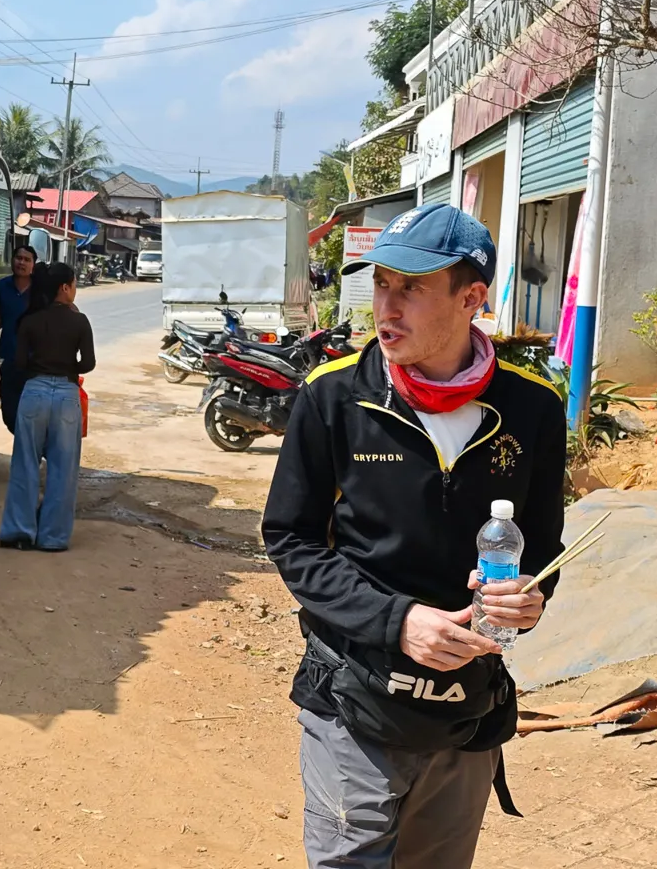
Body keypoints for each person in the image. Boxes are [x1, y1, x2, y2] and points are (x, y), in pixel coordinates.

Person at [260, 204, 567, 869]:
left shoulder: (533, 410)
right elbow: (291, 539)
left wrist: (529, 599)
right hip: (354, 700)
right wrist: (398, 622)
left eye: (412, 288)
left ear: (471, 298)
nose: (386, 309)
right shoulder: (333, 398)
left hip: (467, 712)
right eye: (381, 285)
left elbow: (542, 549)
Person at [0, 262, 94, 552]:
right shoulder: (80, 321)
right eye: (74, 284)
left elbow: (20, 363)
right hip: (66, 396)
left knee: (25, 463)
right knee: (63, 469)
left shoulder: (30, 321)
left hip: (34, 392)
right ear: (64, 288)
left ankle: (18, 533)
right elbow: (88, 364)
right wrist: (66, 367)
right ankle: (53, 538)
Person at [0, 244, 38, 432]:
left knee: (32, 413)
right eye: (18, 258)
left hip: (35, 363)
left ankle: (30, 451)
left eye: (27, 260)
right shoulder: (2, 287)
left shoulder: (40, 291)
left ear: (33, 265)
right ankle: (27, 446)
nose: (21, 262)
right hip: (9, 359)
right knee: (9, 413)